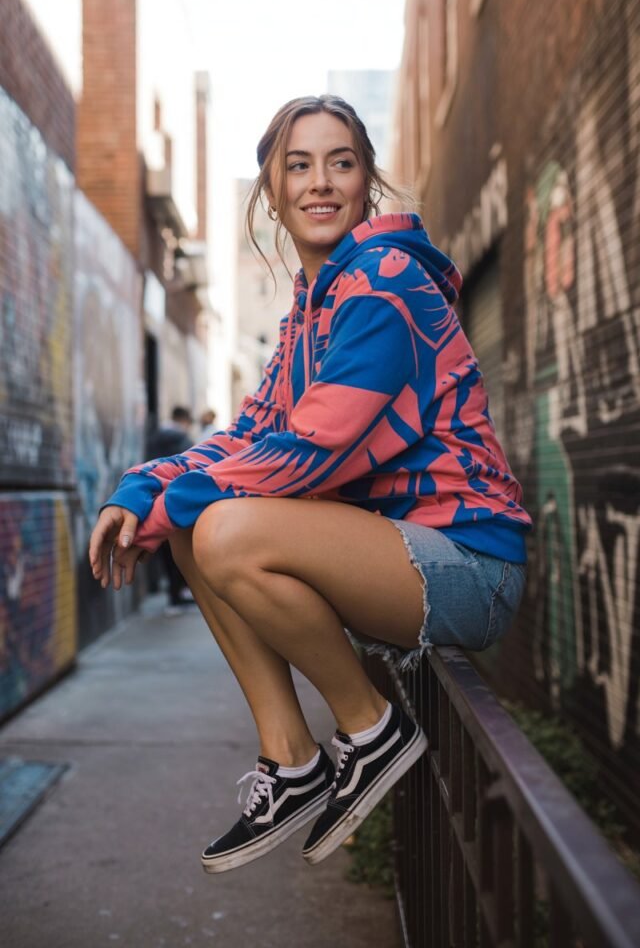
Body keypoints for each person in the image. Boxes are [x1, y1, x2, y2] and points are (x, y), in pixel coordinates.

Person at [89, 94, 531, 875]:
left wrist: (175, 501)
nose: (319, 182)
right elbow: (250, 433)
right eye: (299, 165)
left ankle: (370, 728)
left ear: (366, 183)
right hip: (400, 554)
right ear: (272, 188)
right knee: (200, 523)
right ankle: (292, 760)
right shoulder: (308, 312)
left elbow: (314, 449)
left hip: (471, 564)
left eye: (342, 162)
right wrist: (142, 487)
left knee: (220, 524)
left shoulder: (385, 282)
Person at [145, 406, 195, 611]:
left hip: (155, 500)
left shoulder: (155, 438)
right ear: (183, 420)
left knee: (165, 554)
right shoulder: (182, 439)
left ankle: (173, 598)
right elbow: (191, 468)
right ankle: (178, 595)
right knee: (180, 550)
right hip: (177, 502)